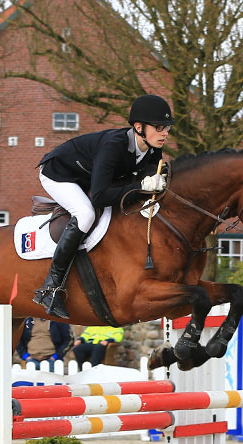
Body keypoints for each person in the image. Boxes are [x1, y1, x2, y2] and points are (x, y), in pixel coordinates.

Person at [33, 94, 173, 318]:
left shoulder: (153, 148)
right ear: (139, 127)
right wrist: (141, 187)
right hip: (59, 173)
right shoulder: (113, 146)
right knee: (86, 214)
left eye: (166, 128)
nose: (165, 133)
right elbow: (99, 197)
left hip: (87, 176)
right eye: (159, 127)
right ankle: (51, 286)